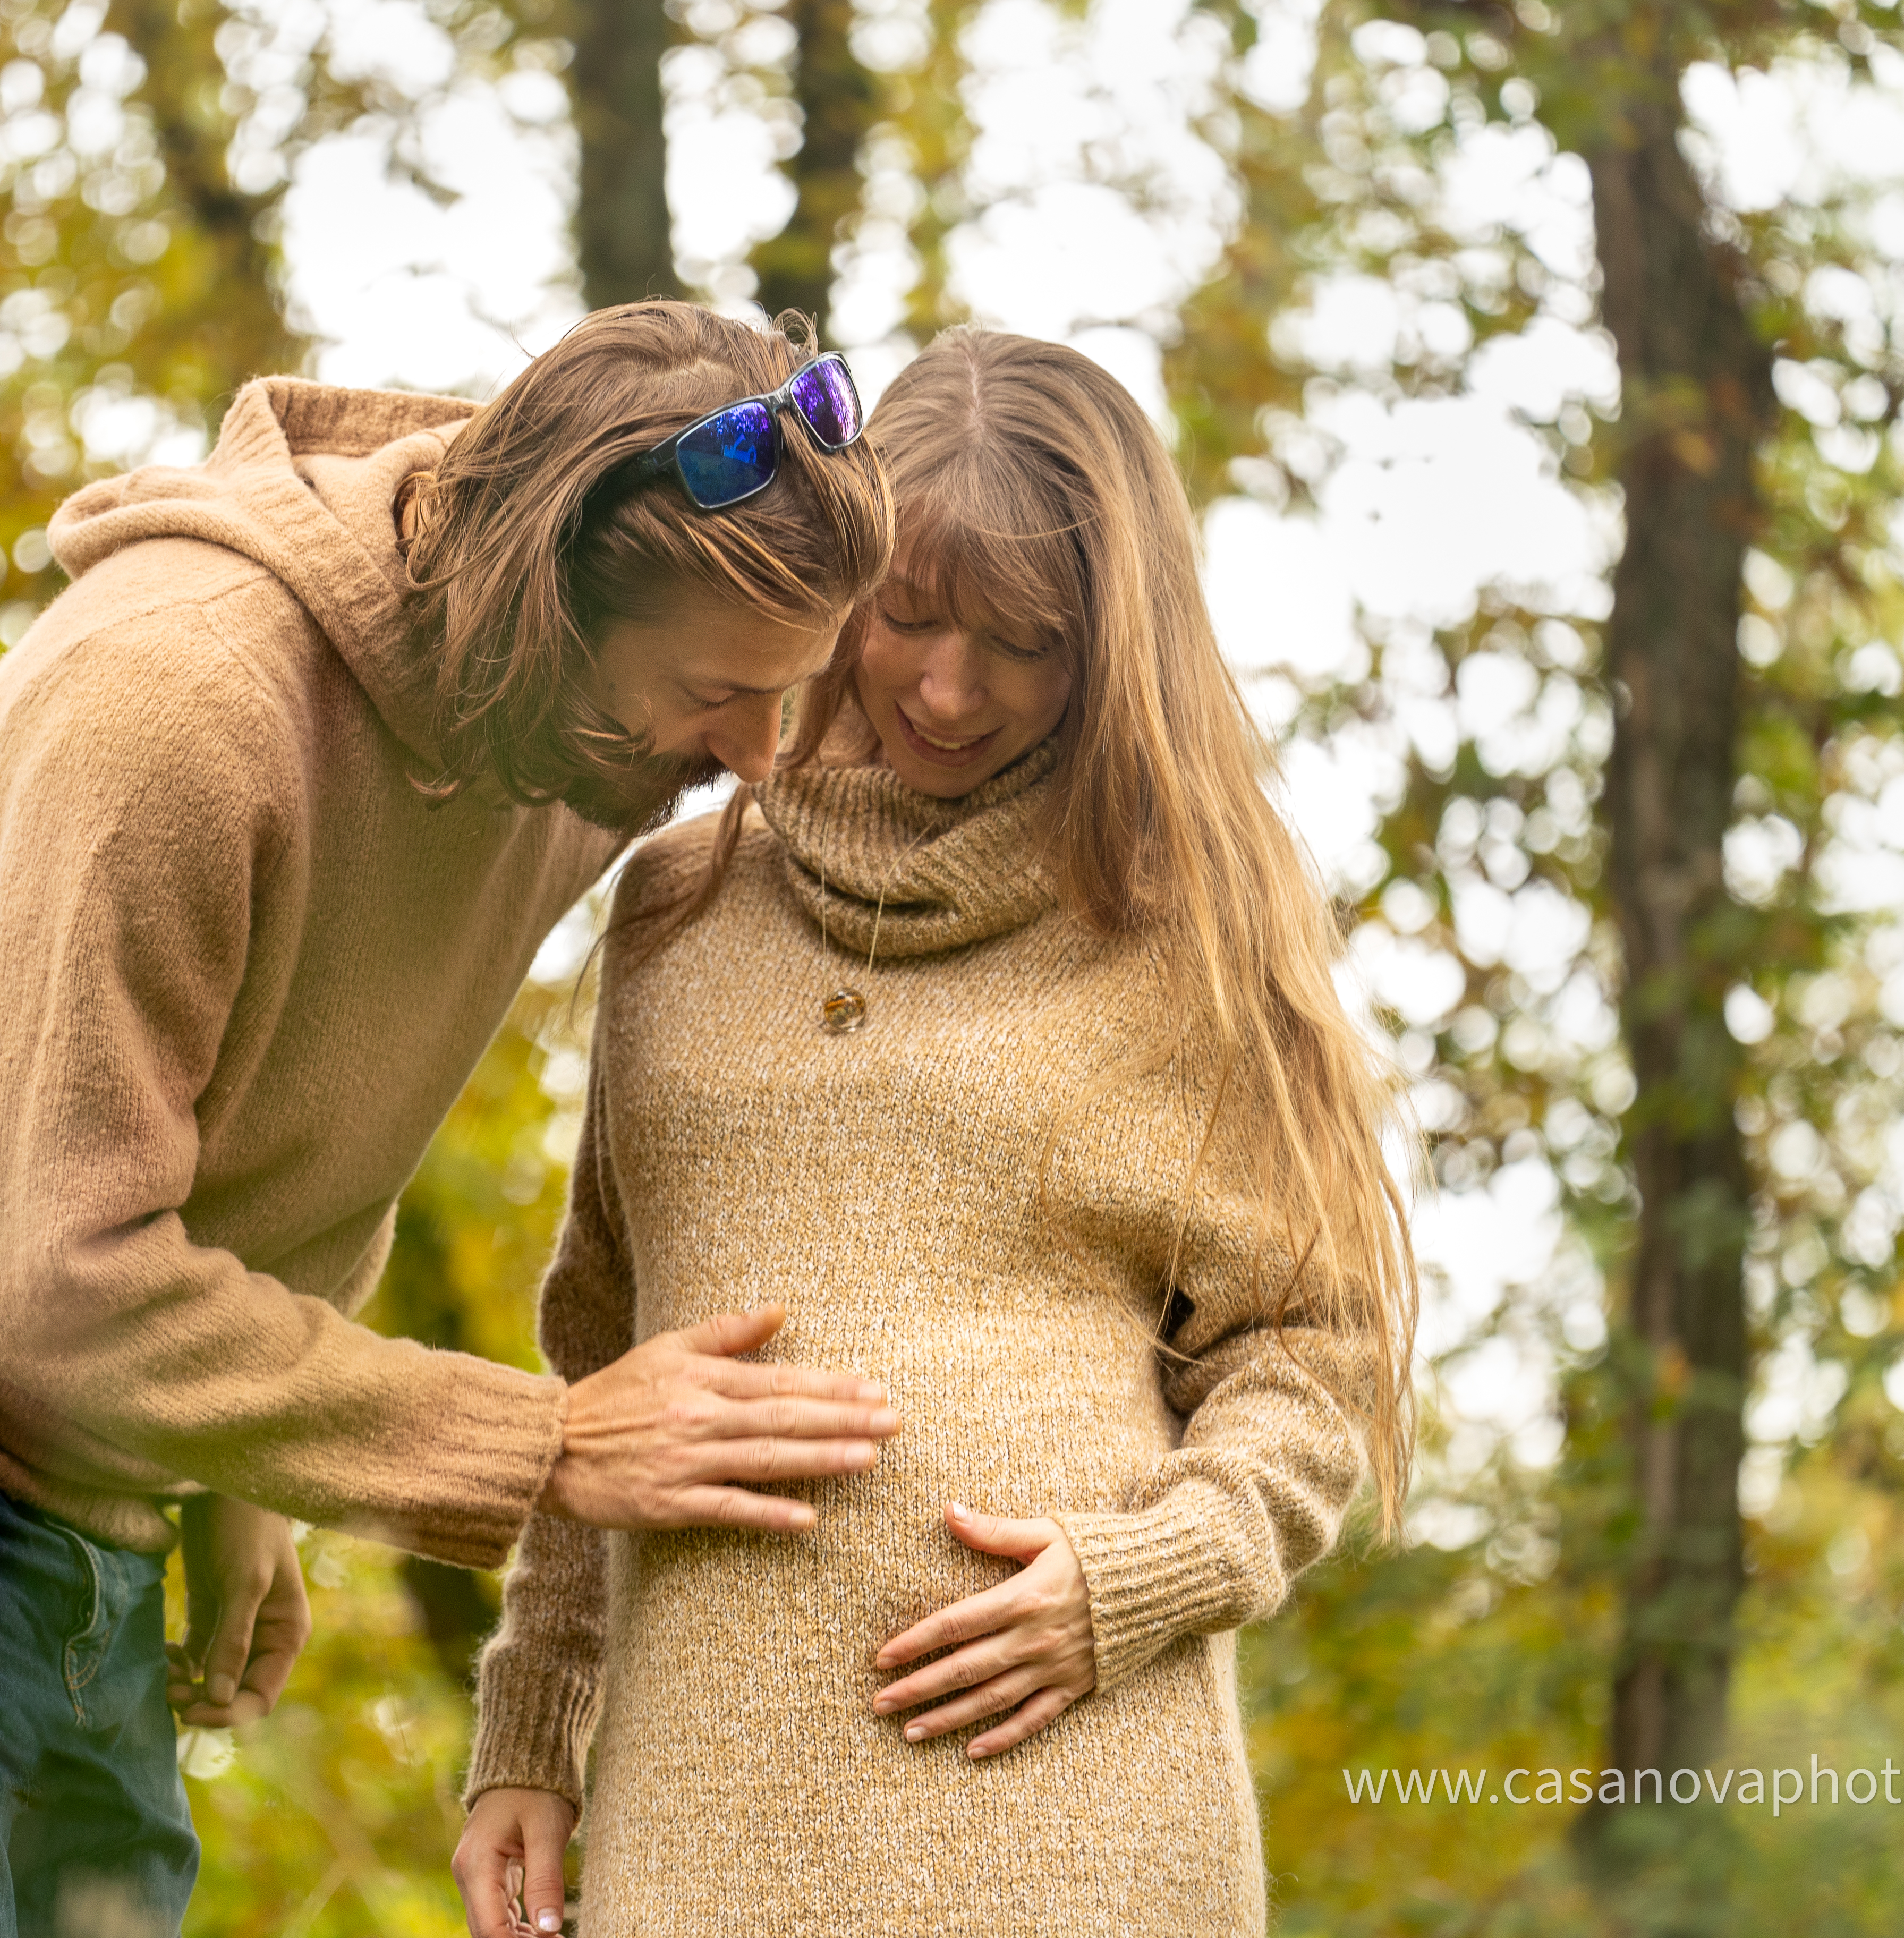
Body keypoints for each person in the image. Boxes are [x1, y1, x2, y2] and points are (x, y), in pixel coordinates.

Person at [0, 301, 909, 1937]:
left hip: (82, 1466)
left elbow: (250, 1116)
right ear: (546, 593)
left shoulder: (573, 745)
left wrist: (243, 1483)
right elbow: (58, 1275)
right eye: (721, 694)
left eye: (787, 697)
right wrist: (551, 1445)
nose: (755, 757)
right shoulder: (177, 704)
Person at [452, 329, 1420, 1937]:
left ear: (1111, 647)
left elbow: (1311, 1357)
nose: (949, 686)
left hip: (1081, 1814)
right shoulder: (680, 910)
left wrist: (1140, 1582)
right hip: (702, 1812)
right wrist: (531, 1730)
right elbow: (598, 1369)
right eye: (908, 614)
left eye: (1023, 642)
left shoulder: (1188, 938)